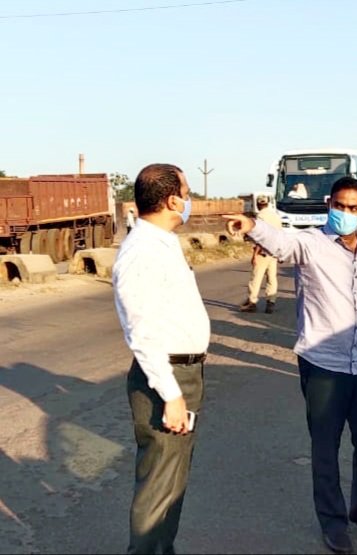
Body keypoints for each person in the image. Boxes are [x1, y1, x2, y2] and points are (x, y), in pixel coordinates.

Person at [223, 177, 357, 555]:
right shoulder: (311, 244)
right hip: (323, 365)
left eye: (353, 208)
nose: (345, 213)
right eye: (339, 205)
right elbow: (281, 242)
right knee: (325, 447)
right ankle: (333, 523)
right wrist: (251, 224)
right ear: (329, 205)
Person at [112, 163, 210, 555]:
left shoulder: (163, 242)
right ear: (172, 200)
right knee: (158, 486)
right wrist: (171, 394)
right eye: (186, 193)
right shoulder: (142, 252)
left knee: (172, 482)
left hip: (183, 372)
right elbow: (142, 331)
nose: (189, 199)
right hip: (166, 377)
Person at [240, 194, 282, 314]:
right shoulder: (276, 216)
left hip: (262, 252)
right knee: (271, 278)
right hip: (273, 252)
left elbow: (260, 238)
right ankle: (271, 302)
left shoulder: (260, 217)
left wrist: (255, 254)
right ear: (267, 203)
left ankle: (252, 302)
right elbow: (280, 234)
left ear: (258, 204)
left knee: (256, 278)